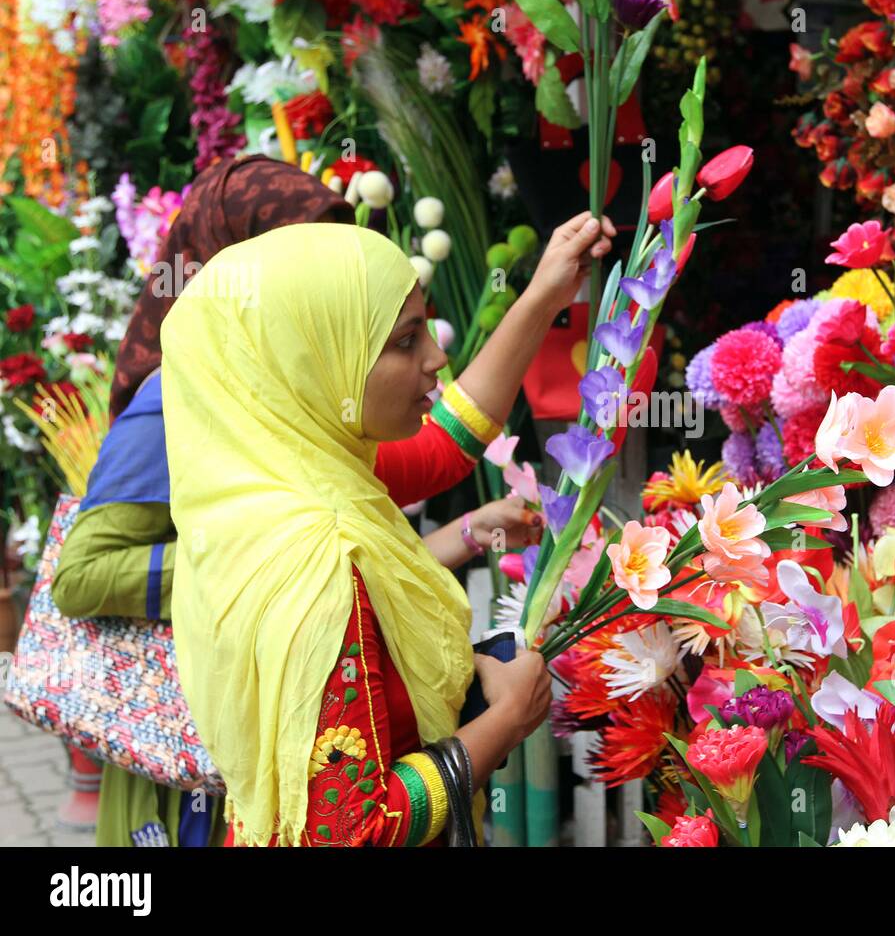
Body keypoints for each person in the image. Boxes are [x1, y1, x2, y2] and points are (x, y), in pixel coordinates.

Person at [160, 216, 613, 846]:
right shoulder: (317, 569)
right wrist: (507, 719)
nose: (436, 357)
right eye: (405, 341)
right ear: (316, 363)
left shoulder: (270, 476)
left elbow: (443, 449)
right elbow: (348, 832)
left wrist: (541, 297)